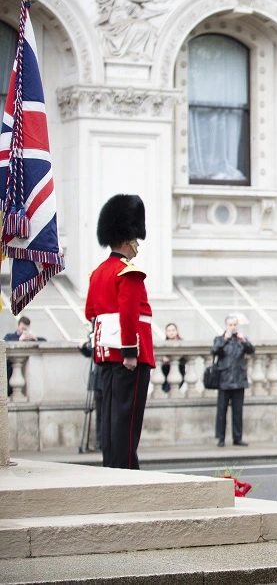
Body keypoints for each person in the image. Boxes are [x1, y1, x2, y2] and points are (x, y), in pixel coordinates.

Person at [84, 194, 154, 469]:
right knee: (127, 420)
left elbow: (91, 312)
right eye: (135, 240)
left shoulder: (98, 272)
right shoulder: (128, 271)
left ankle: (113, 469)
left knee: (112, 417)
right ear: (127, 239)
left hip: (106, 354)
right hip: (130, 355)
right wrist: (129, 351)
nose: (137, 245)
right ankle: (125, 475)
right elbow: (128, 313)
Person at [212, 314, 255, 447]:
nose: (232, 327)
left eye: (234, 324)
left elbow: (251, 350)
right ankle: (221, 438)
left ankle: (238, 438)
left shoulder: (241, 340)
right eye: (230, 325)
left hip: (239, 380)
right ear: (226, 325)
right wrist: (225, 340)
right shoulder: (219, 339)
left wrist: (244, 341)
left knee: (238, 411)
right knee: (221, 411)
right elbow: (214, 351)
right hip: (224, 380)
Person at [159, 322, 187, 393]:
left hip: (178, 371)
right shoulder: (164, 344)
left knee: (169, 391)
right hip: (165, 372)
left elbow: (185, 359)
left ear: (177, 331)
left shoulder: (181, 343)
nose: (171, 332)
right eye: (169, 331)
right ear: (166, 332)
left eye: (173, 330)